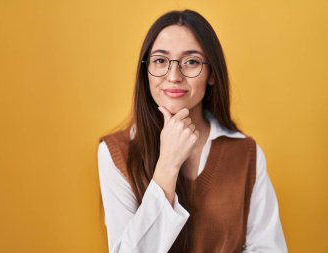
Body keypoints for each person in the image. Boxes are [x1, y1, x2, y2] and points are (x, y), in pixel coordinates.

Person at [97, 9, 287, 253]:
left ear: (211, 75)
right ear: (145, 71)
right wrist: (167, 165)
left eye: (192, 62)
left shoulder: (246, 154)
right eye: (160, 61)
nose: (174, 76)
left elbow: (269, 248)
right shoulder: (115, 153)